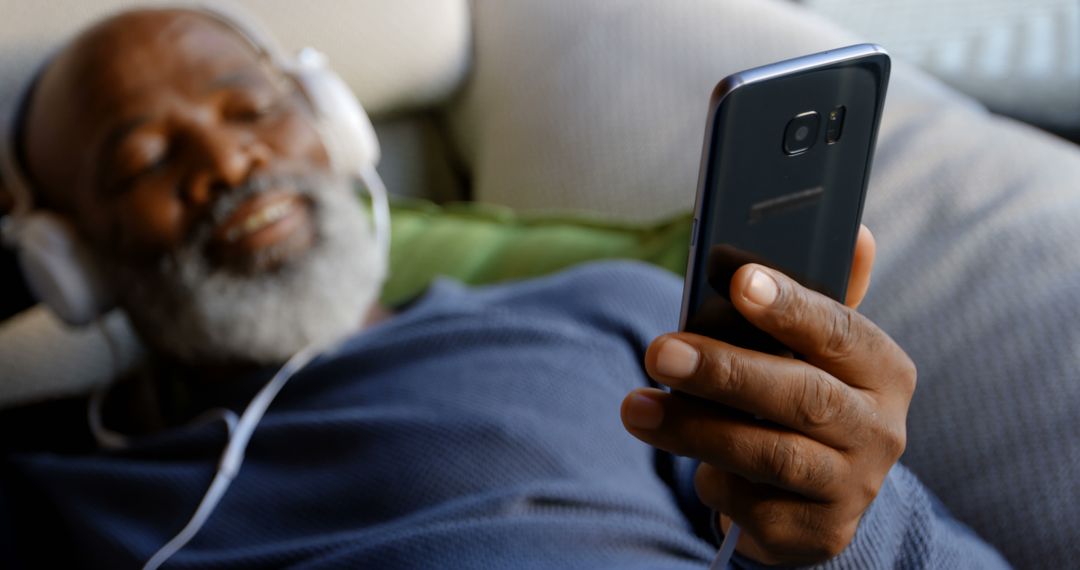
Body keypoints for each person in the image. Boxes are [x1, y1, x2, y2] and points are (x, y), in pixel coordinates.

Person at [0, 7, 1010, 569]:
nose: (228, 163)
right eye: (141, 162)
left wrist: (844, 533)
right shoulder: (53, 493)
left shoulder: (603, 310)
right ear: (67, 261)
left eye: (251, 108)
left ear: (332, 126)